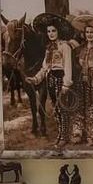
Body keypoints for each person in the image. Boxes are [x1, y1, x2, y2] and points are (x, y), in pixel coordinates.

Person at [27, 14, 74, 148]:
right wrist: (35, 78)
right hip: (51, 80)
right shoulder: (49, 48)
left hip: (61, 79)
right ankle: (60, 134)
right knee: (56, 109)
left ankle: (65, 136)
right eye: (48, 31)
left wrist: (66, 84)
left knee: (63, 108)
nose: (51, 34)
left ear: (58, 31)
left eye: (53, 31)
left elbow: (68, 66)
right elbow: (45, 67)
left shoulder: (64, 46)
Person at [71, 15, 93, 146]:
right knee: (79, 107)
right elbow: (74, 65)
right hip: (81, 82)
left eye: (91, 32)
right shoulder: (79, 49)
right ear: (84, 34)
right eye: (87, 32)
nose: (89, 34)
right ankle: (78, 134)